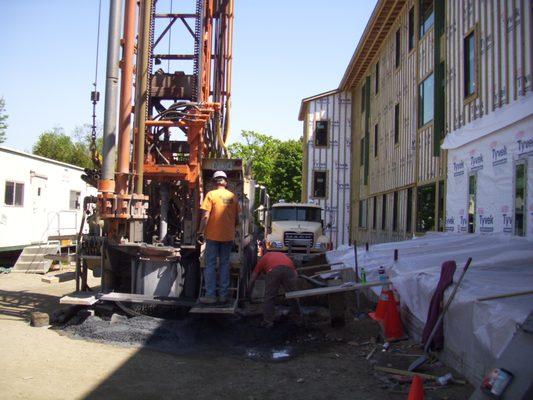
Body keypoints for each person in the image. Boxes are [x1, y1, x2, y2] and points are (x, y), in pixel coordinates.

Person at [197, 170, 239, 304]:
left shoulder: (210, 195)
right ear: (226, 182)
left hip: (213, 236)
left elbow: (205, 216)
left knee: (210, 265)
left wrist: (200, 231)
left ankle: (210, 295)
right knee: (225, 265)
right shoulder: (233, 196)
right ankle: (223, 296)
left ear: (214, 182)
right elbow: (238, 218)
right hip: (228, 236)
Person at [248, 251, 302, 328]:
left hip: (273, 270)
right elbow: (295, 275)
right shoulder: (281, 255)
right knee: (293, 296)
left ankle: (268, 322)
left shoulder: (262, 260)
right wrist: (291, 287)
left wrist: (248, 293)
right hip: (289, 270)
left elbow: (252, 279)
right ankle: (298, 320)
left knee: (269, 298)